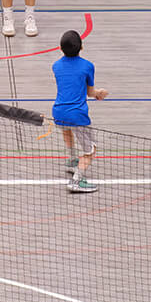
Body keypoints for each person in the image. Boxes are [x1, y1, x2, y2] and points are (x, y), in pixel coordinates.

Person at [52, 30, 108, 194]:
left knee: (67, 131)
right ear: (81, 47)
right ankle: (76, 180)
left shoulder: (55, 66)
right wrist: (99, 93)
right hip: (77, 115)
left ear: (60, 49)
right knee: (90, 151)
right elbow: (90, 93)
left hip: (58, 112)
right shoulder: (88, 66)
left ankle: (71, 161)